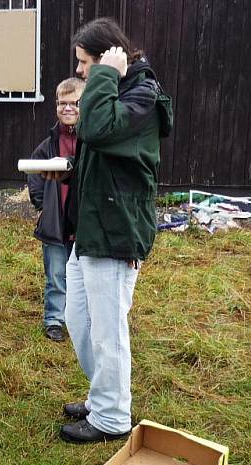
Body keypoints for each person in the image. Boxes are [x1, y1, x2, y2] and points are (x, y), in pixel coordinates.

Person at [57, 18, 170, 443]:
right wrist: (68, 172)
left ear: (108, 58)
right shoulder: (118, 90)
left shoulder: (141, 93)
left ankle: (112, 416)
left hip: (117, 228)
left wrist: (105, 74)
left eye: (86, 63)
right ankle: (103, 394)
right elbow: (99, 152)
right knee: (78, 320)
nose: (81, 72)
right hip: (91, 227)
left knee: (108, 329)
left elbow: (96, 130)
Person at [27, 77, 85, 342]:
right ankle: (54, 319)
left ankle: (81, 320)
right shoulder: (49, 143)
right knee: (56, 274)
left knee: (83, 276)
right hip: (55, 222)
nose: (67, 108)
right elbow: (35, 173)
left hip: (84, 223)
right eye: (62, 103)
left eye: (74, 103)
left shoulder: (90, 140)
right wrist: (42, 205)